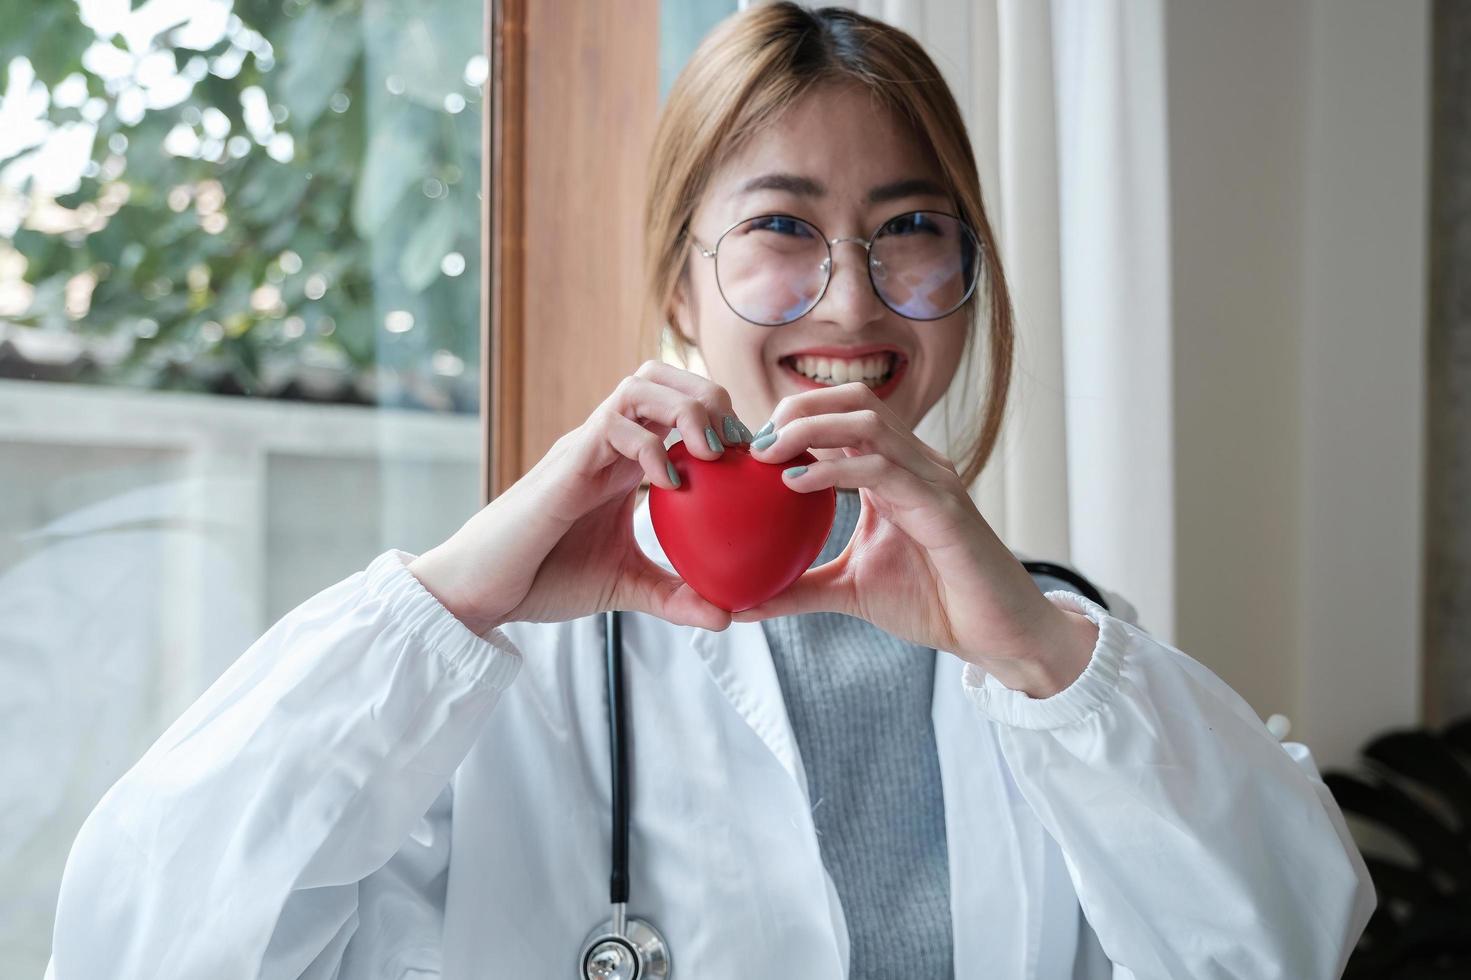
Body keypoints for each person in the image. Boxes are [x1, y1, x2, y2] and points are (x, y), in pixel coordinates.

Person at [45, 5, 1374, 978]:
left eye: (913, 230)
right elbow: (136, 939)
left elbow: (1285, 944)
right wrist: (451, 604)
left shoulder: (1060, 652)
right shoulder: (513, 670)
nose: (852, 298)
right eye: (782, 230)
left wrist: (1040, 652)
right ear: (680, 282)